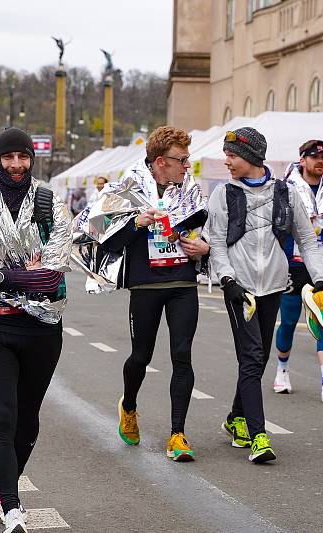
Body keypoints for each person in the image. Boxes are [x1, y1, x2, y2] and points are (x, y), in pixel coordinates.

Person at [0, 127, 72, 533]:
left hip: (41, 328)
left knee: (27, 417)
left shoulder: (52, 205)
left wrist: (0, 276)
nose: (16, 165)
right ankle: (14, 510)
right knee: (2, 415)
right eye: (8, 158)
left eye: (23, 157)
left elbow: (52, 277)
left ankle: (7, 488)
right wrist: (22, 275)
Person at [207, 128, 323, 463]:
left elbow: (307, 239)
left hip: (274, 286)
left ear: (251, 156)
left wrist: (320, 279)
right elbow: (216, 243)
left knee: (259, 358)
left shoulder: (286, 193)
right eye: (226, 154)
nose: (227, 161)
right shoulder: (223, 194)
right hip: (240, 289)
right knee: (250, 357)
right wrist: (227, 280)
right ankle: (259, 435)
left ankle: (235, 418)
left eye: (232, 154)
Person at [99, 126, 208, 462]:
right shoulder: (127, 188)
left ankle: (178, 434)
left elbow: (209, 231)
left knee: (182, 355)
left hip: (182, 284)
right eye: (182, 160)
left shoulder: (192, 190)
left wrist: (203, 248)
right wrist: (136, 224)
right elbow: (103, 236)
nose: (187, 166)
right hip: (146, 285)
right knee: (141, 357)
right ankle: (128, 405)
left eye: (188, 159)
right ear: (161, 161)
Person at [273, 140, 323, 402]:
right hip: (294, 263)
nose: (320, 161)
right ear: (302, 159)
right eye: (314, 156)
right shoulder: (286, 185)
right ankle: (282, 370)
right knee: (289, 321)